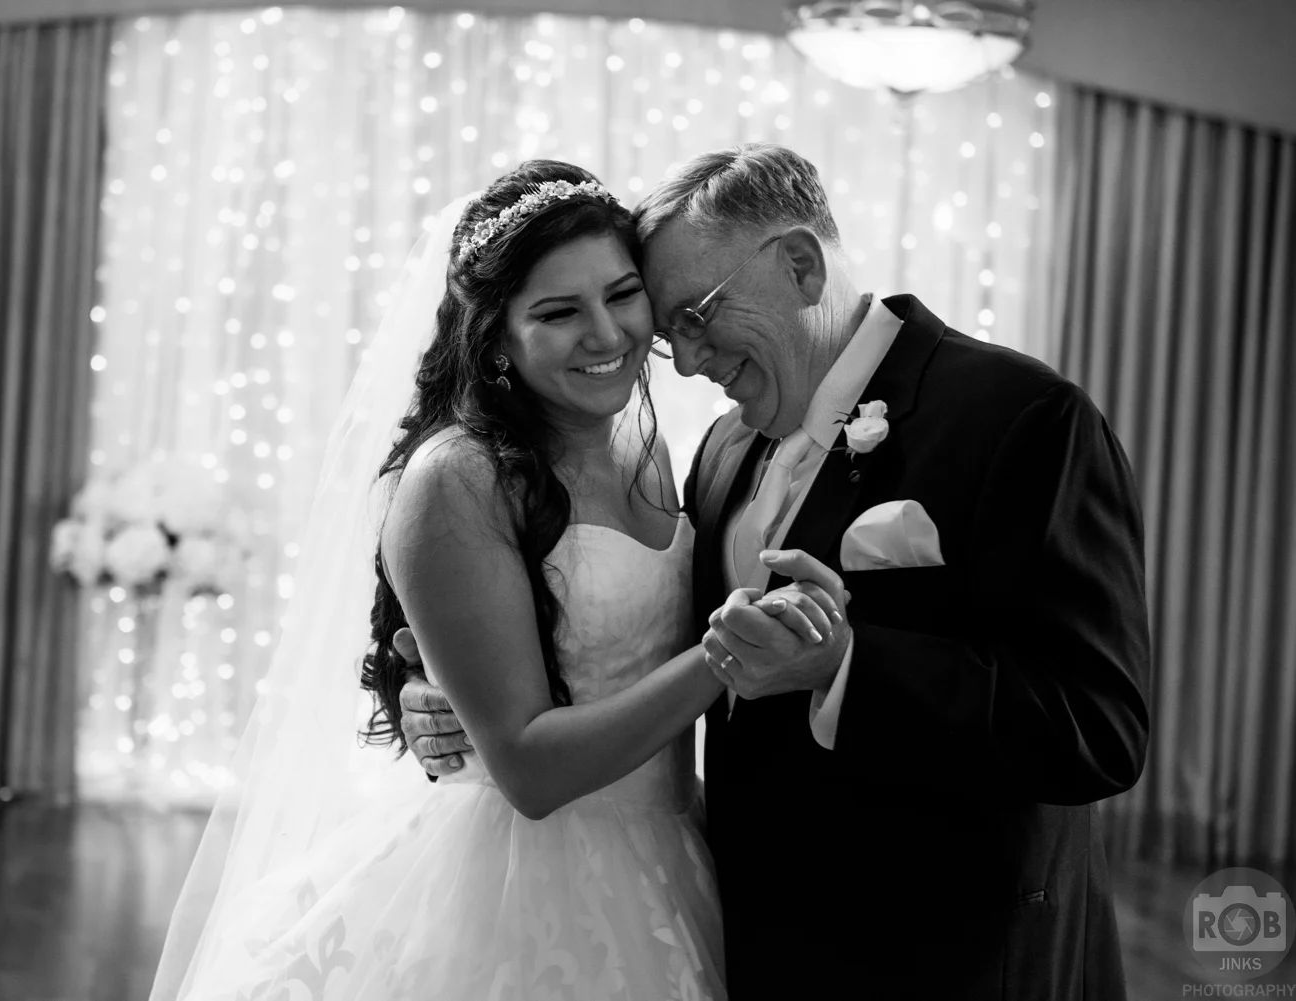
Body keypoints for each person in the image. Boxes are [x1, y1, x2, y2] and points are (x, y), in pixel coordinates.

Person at [398, 143, 1153, 999]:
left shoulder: (1021, 418)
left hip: (951, 956)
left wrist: (849, 665)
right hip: (733, 932)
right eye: (671, 329)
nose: (686, 361)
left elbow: (1101, 728)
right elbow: (617, 640)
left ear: (799, 264)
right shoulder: (721, 450)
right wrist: (441, 691)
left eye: (696, 314)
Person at [150, 160, 841, 1001]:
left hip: (672, 853)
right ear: (496, 337)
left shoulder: (646, 445)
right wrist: (726, 655)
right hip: (516, 885)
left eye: (623, 294)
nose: (608, 334)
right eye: (558, 312)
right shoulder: (458, 478)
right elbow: (529, 771)